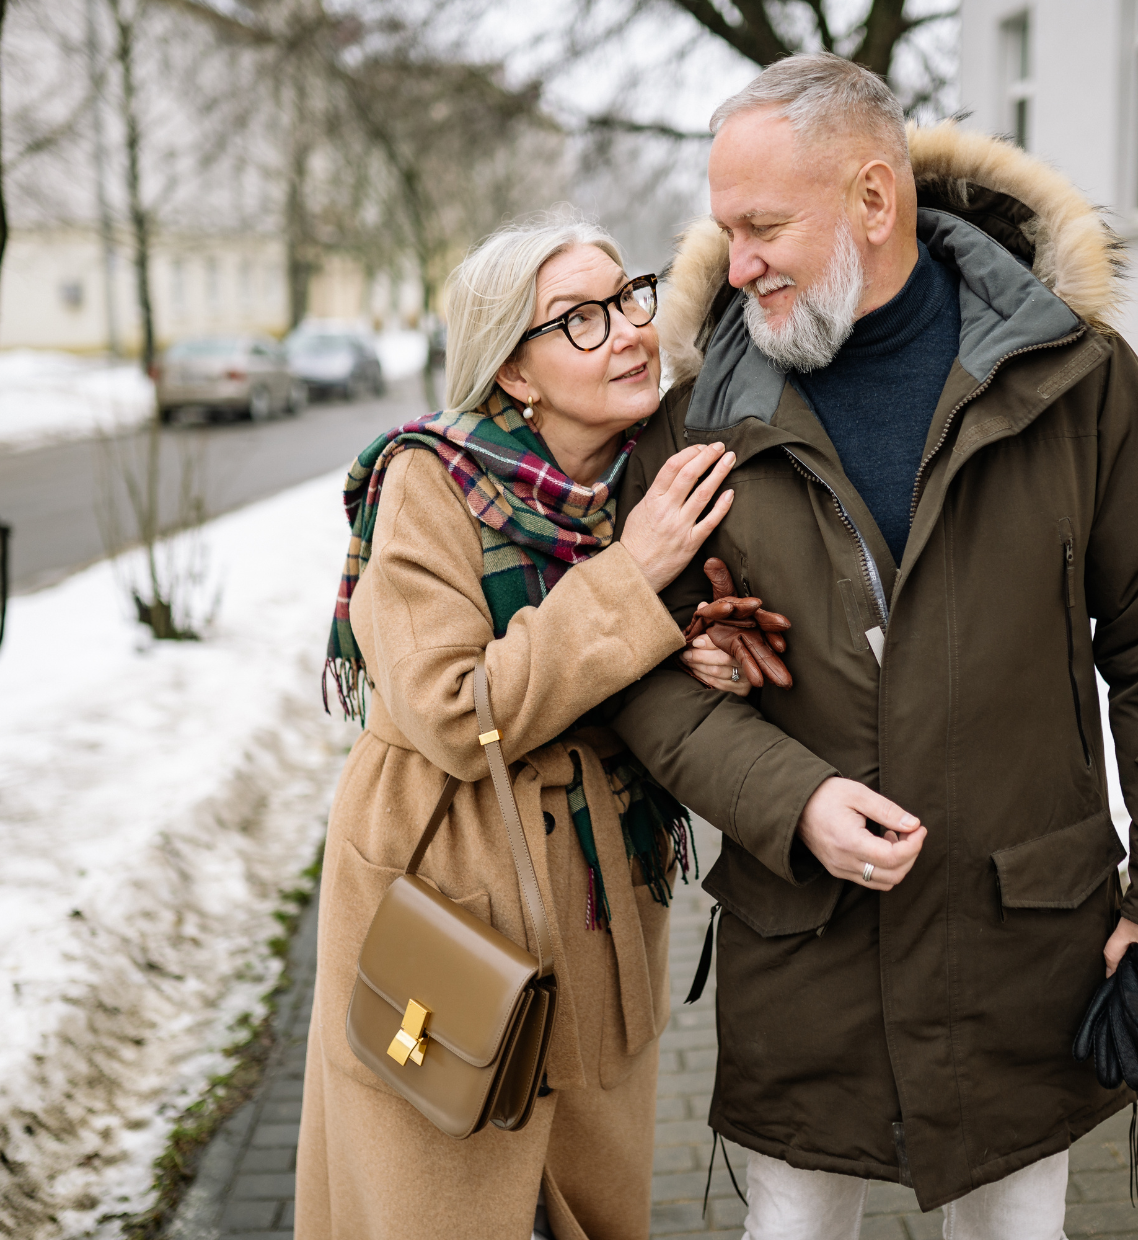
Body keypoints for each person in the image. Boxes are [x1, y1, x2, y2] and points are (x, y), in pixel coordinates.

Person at [612, 53, 1138, 1240]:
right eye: (723, 230)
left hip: (1021, 943)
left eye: (761, 226)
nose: (735, 264)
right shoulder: (695, 413)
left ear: (870, 198)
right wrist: (788, 798)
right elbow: (637, 667)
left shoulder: (1074, 378)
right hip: (803, 948)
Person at [296, 215, 758, 1240]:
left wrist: (701, 663)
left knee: (584, 1198)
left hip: (597, 893)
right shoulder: (427, 483)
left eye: (626, 297)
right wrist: (632, 578)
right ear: (513, 371)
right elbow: (456, 712)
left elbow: (622, 668)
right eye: (579, 320)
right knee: (444, 1193)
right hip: (446, 883)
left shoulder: (646, 479)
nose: (629, 330)